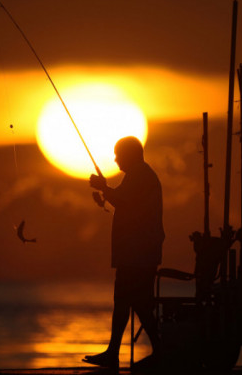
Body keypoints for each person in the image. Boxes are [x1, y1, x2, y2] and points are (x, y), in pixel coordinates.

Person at [83, 136, 164, 370]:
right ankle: (122, 352)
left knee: (131, 302)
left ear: (129, 155)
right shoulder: (138, 176)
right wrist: (106, 190)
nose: (115, 159)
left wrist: (104, 188)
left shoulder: (141, 176)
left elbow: (124, 200)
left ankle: (147, 351)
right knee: (132, 302)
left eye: (118, 154)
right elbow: (123, 199)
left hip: (138, 255)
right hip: (136, 254)